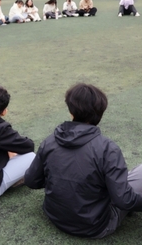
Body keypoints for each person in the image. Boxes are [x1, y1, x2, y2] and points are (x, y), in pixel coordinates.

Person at [25, 83, 142, 238]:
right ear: (101, 112)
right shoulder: (108, 149)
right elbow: (124, 200)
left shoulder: (49, 141)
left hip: (54, 216)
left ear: (71, 111)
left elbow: (32, 181)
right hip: (96, 226)